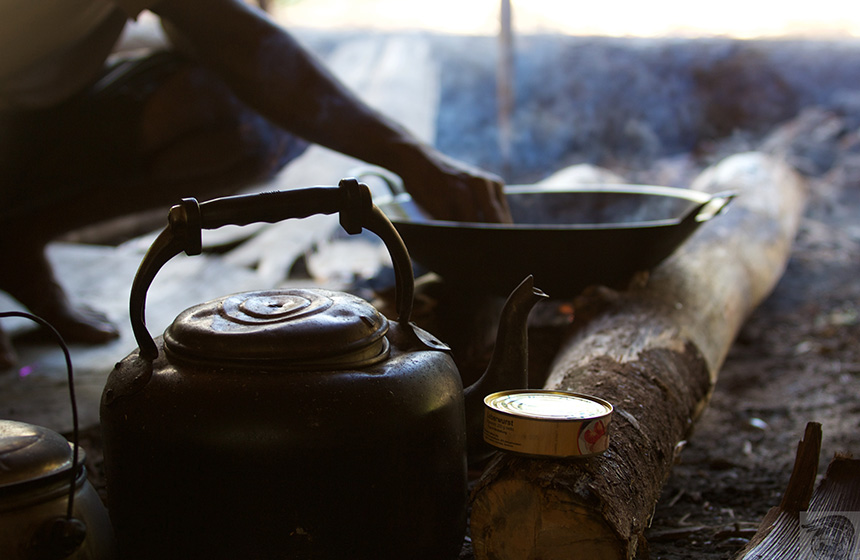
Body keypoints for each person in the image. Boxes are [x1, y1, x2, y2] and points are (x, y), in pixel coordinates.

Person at [0, 0, 512, 368]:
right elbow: (240, 37)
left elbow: (235, 49)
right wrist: (413, 159)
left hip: (29, 114)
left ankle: (15, 239)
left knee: (246, 121)